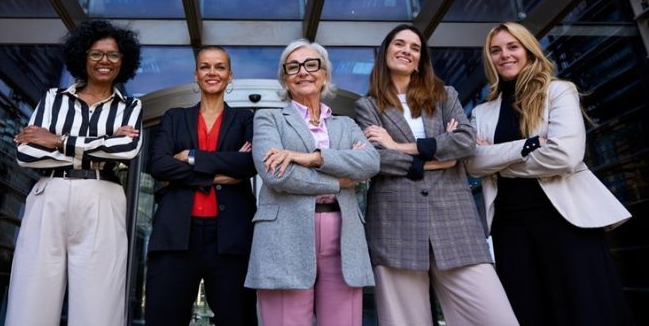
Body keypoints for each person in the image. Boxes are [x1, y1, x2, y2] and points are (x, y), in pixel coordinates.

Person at [463, 21, 633, 326]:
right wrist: (528, 145)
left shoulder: (558, 91)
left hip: (564, 220)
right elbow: (474, 163)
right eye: (496, 50)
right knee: (529, 313)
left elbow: (565, 155)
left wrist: (500, 162)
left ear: (528, 50)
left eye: (512, 47)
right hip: (509, 228)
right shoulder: (481, 112)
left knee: (584, 311)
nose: (504, 55)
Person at [354, 23, 518, 326]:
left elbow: (464, 142)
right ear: (386, 52)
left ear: (420, 60)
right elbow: (375, 158)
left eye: (415, 48)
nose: (407, 51)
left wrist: (398, 146)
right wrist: (441, 159)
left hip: (454, 218)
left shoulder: (444, 95)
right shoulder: (367, 106)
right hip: (394, 222)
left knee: (494, 317)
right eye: (399, 44)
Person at [7, 20, 143, 326]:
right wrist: (104, 141)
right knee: (31, 293)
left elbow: (126, 150)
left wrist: (57, 140)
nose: (105, 61)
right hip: (49, 193)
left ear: (124, 61)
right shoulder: (53, 98)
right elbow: (26, 153)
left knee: (99, 303)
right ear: (83, 56)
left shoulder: (130, 106)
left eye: (113, 54)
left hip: (103, 195)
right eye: (96, 53)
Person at [245, 39, 380, 326]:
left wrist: (311, 158)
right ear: (285, 78)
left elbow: (370, 162)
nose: (302, 71)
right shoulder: (268, 118)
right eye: (293, 67)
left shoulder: (346, 124)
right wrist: (338, 182)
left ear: (324, 74)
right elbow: (276, 174)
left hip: (343, 232)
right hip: (284, 232)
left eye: (311, 64)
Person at [146, 46, 257, 326]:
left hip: (231, 238)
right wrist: (217, 175)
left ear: (230, 75)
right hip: (176, 235)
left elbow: (249, 163)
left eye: (220, 67)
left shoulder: (245, 119)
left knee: (237, 319)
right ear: (196, 74)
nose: (212, 72)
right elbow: (158, 164)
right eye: (205, 66)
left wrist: (191, 156)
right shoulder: (174, 117)